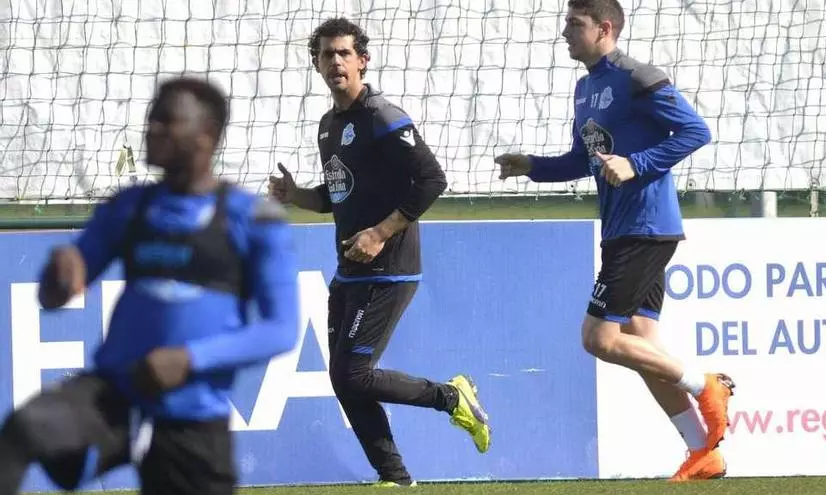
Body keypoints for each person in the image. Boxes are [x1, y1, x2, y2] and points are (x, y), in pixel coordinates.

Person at [0, 76, 300, 494]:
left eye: (166, 120)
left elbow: (281, 330)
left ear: (206, 135)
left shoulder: (252, 220)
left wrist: (188, 360)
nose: (151, 127)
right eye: (151, 117)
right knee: (25, 428)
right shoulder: (128, 207)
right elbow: (53, 295)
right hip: (114, 397)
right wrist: (58, 273)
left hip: (192, 419)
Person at [495, 0, 734, 482]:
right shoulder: (585, 88)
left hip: (646, 227)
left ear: (604, 28)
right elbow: (582, 161)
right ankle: (702, 451)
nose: (564, 32)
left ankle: (706, 385)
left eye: (574, 24)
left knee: (599, 338)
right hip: (622, 230)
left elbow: (696, 131)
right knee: (642, 345)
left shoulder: (639, 77)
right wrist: (532, 167)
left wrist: (636, 163)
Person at [268, 17, 490, 488]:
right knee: (344, 378)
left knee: (355, 374)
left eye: (344, 53)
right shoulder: (329, 126)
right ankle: (395, 478)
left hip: (390, 268)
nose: (335, 62)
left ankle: (452, 398)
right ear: (317, 64)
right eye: (326, 54)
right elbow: (337, 196)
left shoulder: (383, 116)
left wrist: (381, 233)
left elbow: (432, 179)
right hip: (350, 270)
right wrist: (296, 195)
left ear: (362, 61)